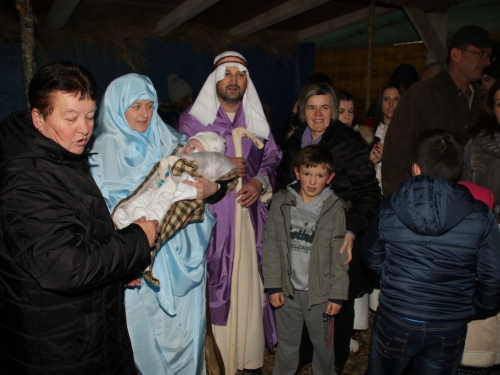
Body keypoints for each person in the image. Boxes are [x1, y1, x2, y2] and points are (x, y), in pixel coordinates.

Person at [0, 61, 160, 374]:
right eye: (71, 117)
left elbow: (77, 233)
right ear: (38, 118)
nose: (84, 128)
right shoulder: (25, 180)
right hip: (57, 347)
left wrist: (114, 270)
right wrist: (136, 240)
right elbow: (66, 266)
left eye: (89, 116)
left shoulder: (59, 158)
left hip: (87, 331)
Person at [89, 73, 222, 374]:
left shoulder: (170, 140)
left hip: (184, 255)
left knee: (186, 334)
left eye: (150, 106)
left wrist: (215, 190)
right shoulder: (97, 155)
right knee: (143, 338)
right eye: (135, 106)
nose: (145, 114)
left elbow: (215, 167)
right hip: (136, 261)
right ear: (115, 107)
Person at [177, 51, 282, 373]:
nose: (234, 80)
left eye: (240, 74)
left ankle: (247, 359)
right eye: (227, 74)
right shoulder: (192, 121)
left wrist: (259, 182)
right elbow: (178, 168)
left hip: (248, 222)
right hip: (210, 224)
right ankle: (216, 360)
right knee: (215, 285)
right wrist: (221, 168)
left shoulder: (257, 120)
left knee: (248, 287)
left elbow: (272, 159)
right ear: (215, 80)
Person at [363, 129, 500, 375]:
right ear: (456, 170)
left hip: (397, 318)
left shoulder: (389, 208)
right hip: (448, 326)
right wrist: (471, 308)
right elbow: (493, 278)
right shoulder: (481, 216)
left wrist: (396, 280)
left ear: (415, 168)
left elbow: (371, 256)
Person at [276, 82, 381, 373]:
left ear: (334, 111)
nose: (318, 113)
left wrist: (350, 229)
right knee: (305, 295)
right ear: (302, 111)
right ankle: (306, 352)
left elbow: (369, 191)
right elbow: (283, 180)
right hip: (302, 235)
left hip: (340, 233)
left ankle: (333, 363)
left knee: (337, 302)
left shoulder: (348, 142)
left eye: (325, 107)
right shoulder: (296, 140)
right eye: (312, 107)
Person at [263, 144, 349, 375]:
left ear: (329, 178)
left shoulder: (335, 208)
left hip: (320, 294)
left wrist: (337, 294)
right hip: (287, 290)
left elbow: (339, 254)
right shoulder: (280, 202)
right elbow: (270, 245)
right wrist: (273, 285)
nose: (312, 181)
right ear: (297, 173)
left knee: (323, 347)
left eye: (319, 175)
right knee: (288, 345)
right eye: (307, 174)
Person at [382, 25, 497, 196]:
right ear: (456, 54)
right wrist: (400, 205)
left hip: (465, 205)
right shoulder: (422, 95)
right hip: (423, 201)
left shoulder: (483, 101)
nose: (486, 62)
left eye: (488, 56)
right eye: (481, 54)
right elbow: (397, 157)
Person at [112, 131, 230, 228]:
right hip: (157, 188)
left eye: (194, 148)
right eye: (188, 144)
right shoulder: (175, 156)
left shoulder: (198, 173)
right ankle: (125, 218)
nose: (188, 148)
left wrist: (215, 186)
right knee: (141, 200)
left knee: (159, 209)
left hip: (171, 197)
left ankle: (142, 222)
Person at [462, 80, 500, 222]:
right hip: (479, 225)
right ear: (492, 109)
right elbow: (462, 190)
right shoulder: (477, 144)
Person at [370, 81, 406, 193]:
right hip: (372, 191)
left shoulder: (408, 132)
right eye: (386, 99)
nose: (391, 104)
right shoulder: (369, 129)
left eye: (396, 99)